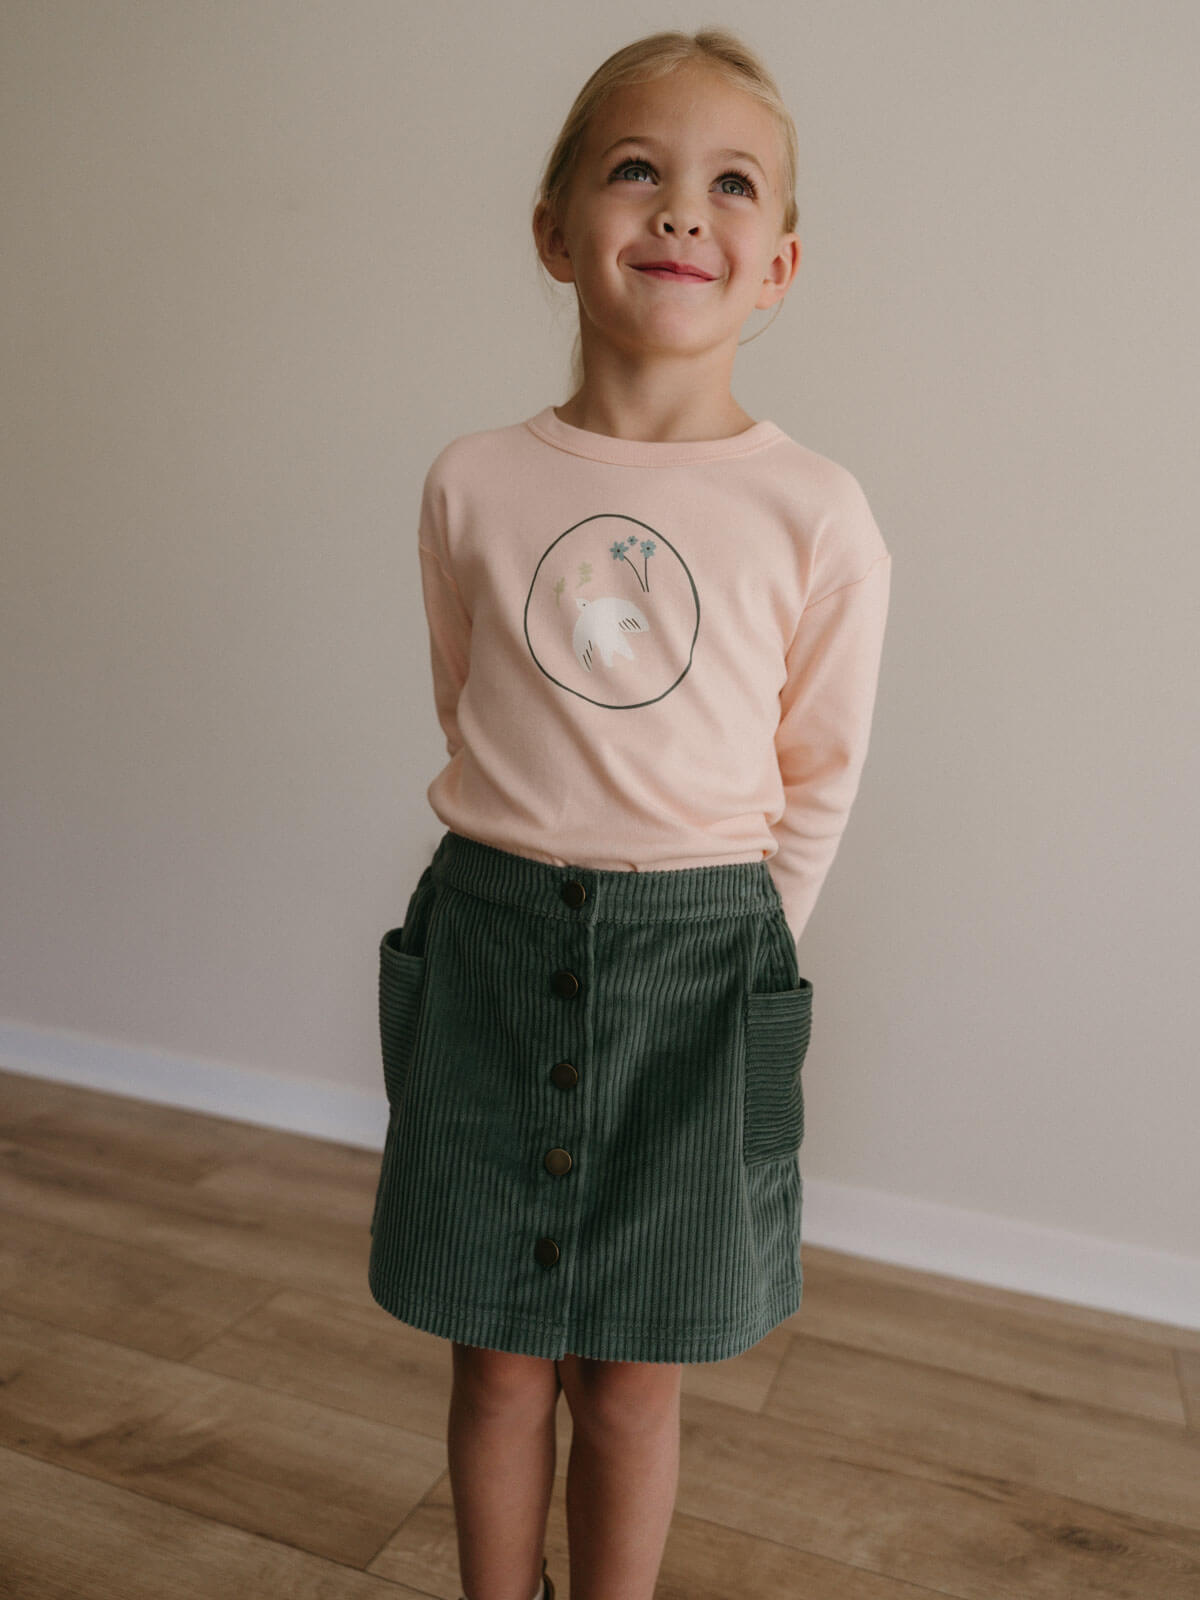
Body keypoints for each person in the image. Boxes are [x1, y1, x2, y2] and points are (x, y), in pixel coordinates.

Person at [367, 26, 893, 1600]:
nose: (680, 209)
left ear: (777, 263)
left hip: (703, 964)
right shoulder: (472, 481)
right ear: (555, 231)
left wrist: (744, 944)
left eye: (731, 184)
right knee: (496, 1359)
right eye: (636, 169)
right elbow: (468, 702)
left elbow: (819, 769)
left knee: (631, 1378)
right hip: (490, 944)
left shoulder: (817, 514)